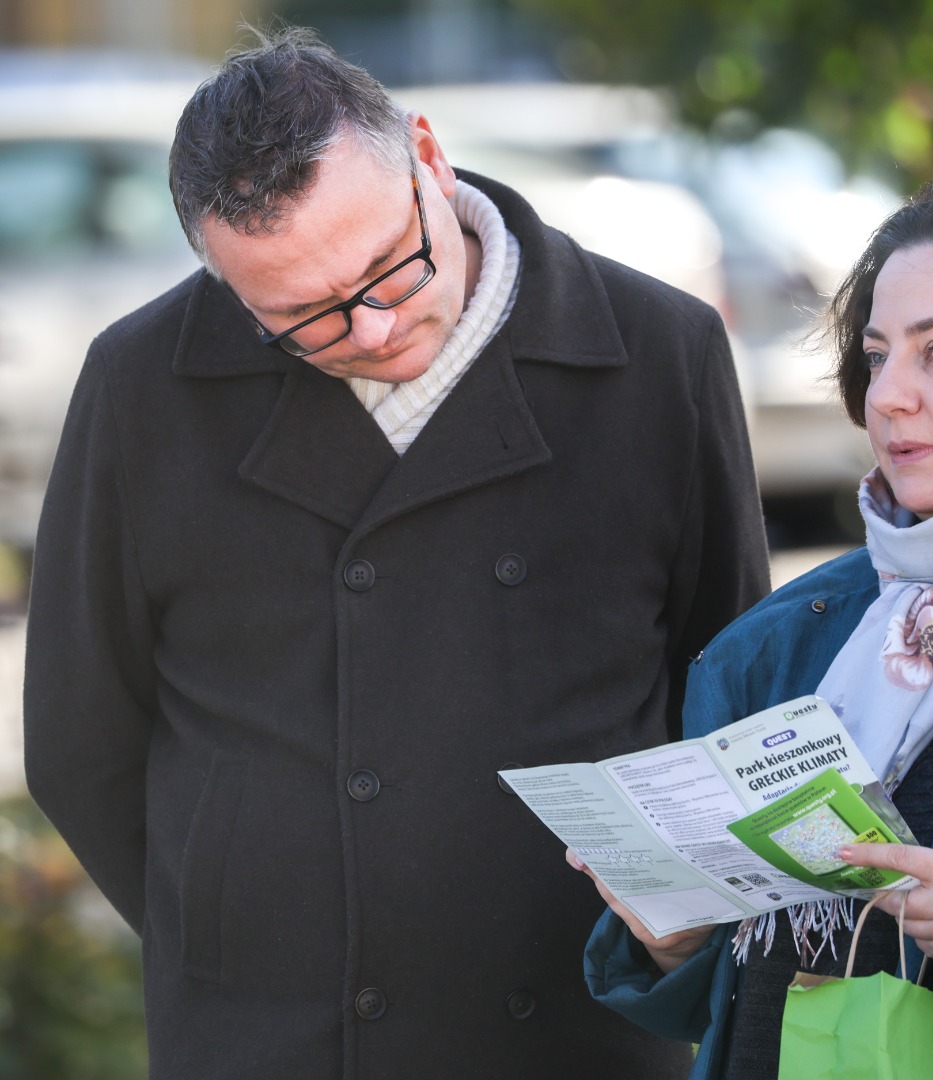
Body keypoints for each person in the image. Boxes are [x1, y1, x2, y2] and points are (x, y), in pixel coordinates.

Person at [21, 25, 770, 1080]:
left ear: (427, 153)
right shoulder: (144, 383)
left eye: (389, 267)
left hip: (578, 1014)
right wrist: (234, 933)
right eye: (304, 316)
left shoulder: (659, 353)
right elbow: (77, 735)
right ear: (223, 280)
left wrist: (666, 936)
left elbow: (721, 691)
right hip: (266, 1034)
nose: (370, 331)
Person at [573, 169, 933, 1078]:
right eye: (878, 356)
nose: (888, 396)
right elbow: (739, 991)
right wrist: (673, 940)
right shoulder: (788, 637)